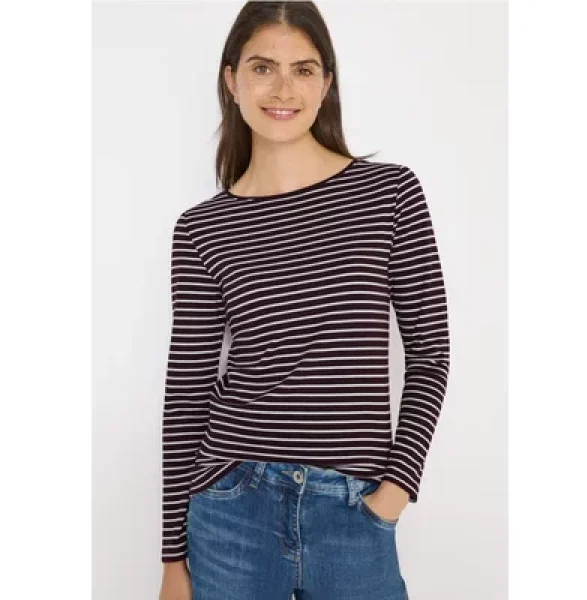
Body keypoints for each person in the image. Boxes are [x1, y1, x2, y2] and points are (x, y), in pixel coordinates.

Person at [159, 2, 450, 599]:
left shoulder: (389, 193)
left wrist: (393, 492)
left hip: (355, 510)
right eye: (263, 67)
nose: (283, 89)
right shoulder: (201, 228)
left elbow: (430, 354)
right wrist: (172, 559)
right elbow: (187, 388)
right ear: (231, 78)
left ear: (326, 83)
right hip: (231, 508)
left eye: (304, 69)